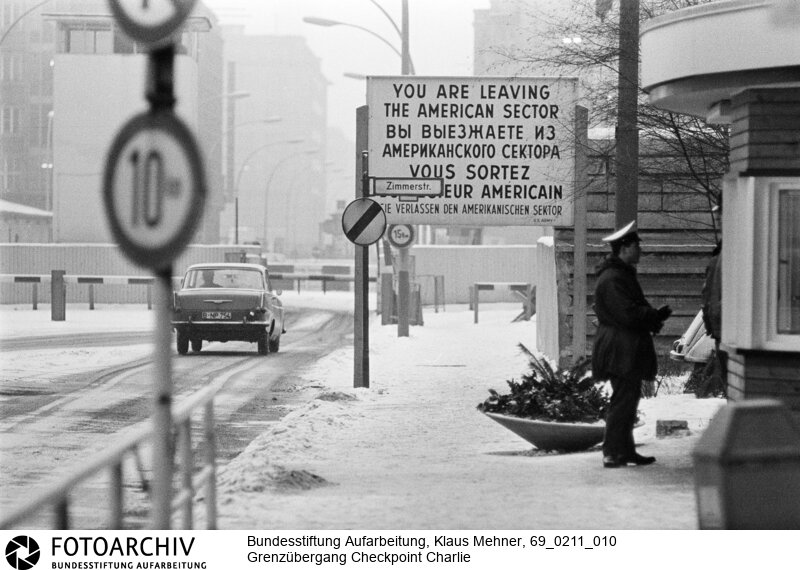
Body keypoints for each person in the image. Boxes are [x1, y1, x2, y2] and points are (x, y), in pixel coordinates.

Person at [592, 221, 672, 468]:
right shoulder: (614, 278)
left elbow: (630, 310)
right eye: (637, 246)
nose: (640, 250)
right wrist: (652, 316)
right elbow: (627, 313)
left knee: (628, 399)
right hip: (620, 349)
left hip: (623, 347)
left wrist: (652, 316)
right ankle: (611, 451)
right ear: (625, 248)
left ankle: (625, 451)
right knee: (623, 400)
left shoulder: (619, 275)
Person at [700, 202, 726, 395]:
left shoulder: (730, 249)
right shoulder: (722, 250)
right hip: (720, 328)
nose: (718, 221)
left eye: (720, 215)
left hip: (727, 327)